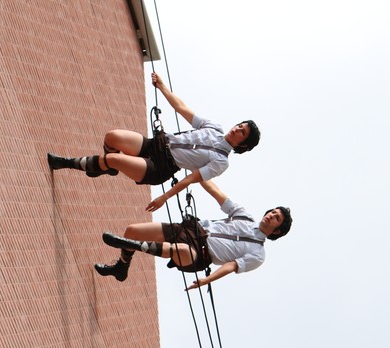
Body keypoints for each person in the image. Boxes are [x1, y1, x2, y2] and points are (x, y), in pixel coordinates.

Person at [47, 73, 260, 209]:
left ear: (243, 145)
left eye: (243, 133)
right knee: (112, 137)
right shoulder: (214, 128)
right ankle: (106, 167)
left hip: (160, 167)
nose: (238, 129)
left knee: (112, 158)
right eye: (240, 125)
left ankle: (66, 163)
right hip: (155, 144)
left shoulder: (221, 162)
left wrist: (164, 197)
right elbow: (182, 109)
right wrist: (162, 86)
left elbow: (190, 179)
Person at [94, 179, 292, 290]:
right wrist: (198, 174)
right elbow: (217, 193)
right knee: (132, 231)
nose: (271, 215)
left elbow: (231, 266)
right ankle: (122, 267)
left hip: (200, 254)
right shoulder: (244, 216)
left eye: (277, 218)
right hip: (190, 230)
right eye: (273, 212)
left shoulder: (258, 254)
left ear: (277, 231)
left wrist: (207, 280)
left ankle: (137, 246)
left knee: (179, 250)